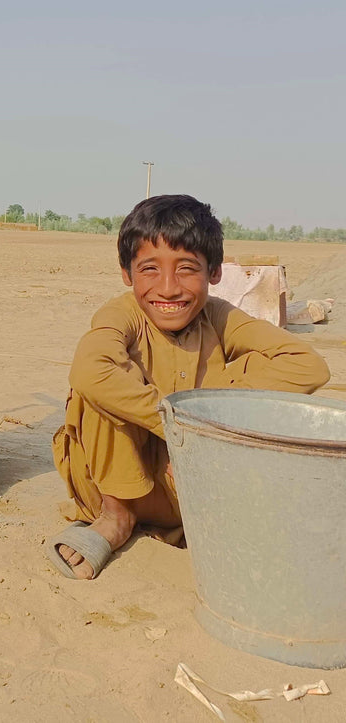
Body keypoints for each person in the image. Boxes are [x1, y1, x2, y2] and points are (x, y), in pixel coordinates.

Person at [47, 194, 329, 580]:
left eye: (186, 269)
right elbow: (90, 371)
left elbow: (308, 367)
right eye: (149, 269)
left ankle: (202, 520)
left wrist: (205, 416)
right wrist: (175, 421)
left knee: (252, 367)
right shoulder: (123, 313)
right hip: (117, 483)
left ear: (213, 273)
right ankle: (116, 520)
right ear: (127, 274)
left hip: (191, 482)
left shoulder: (217, 316)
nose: (168, 288)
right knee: (98, 387)